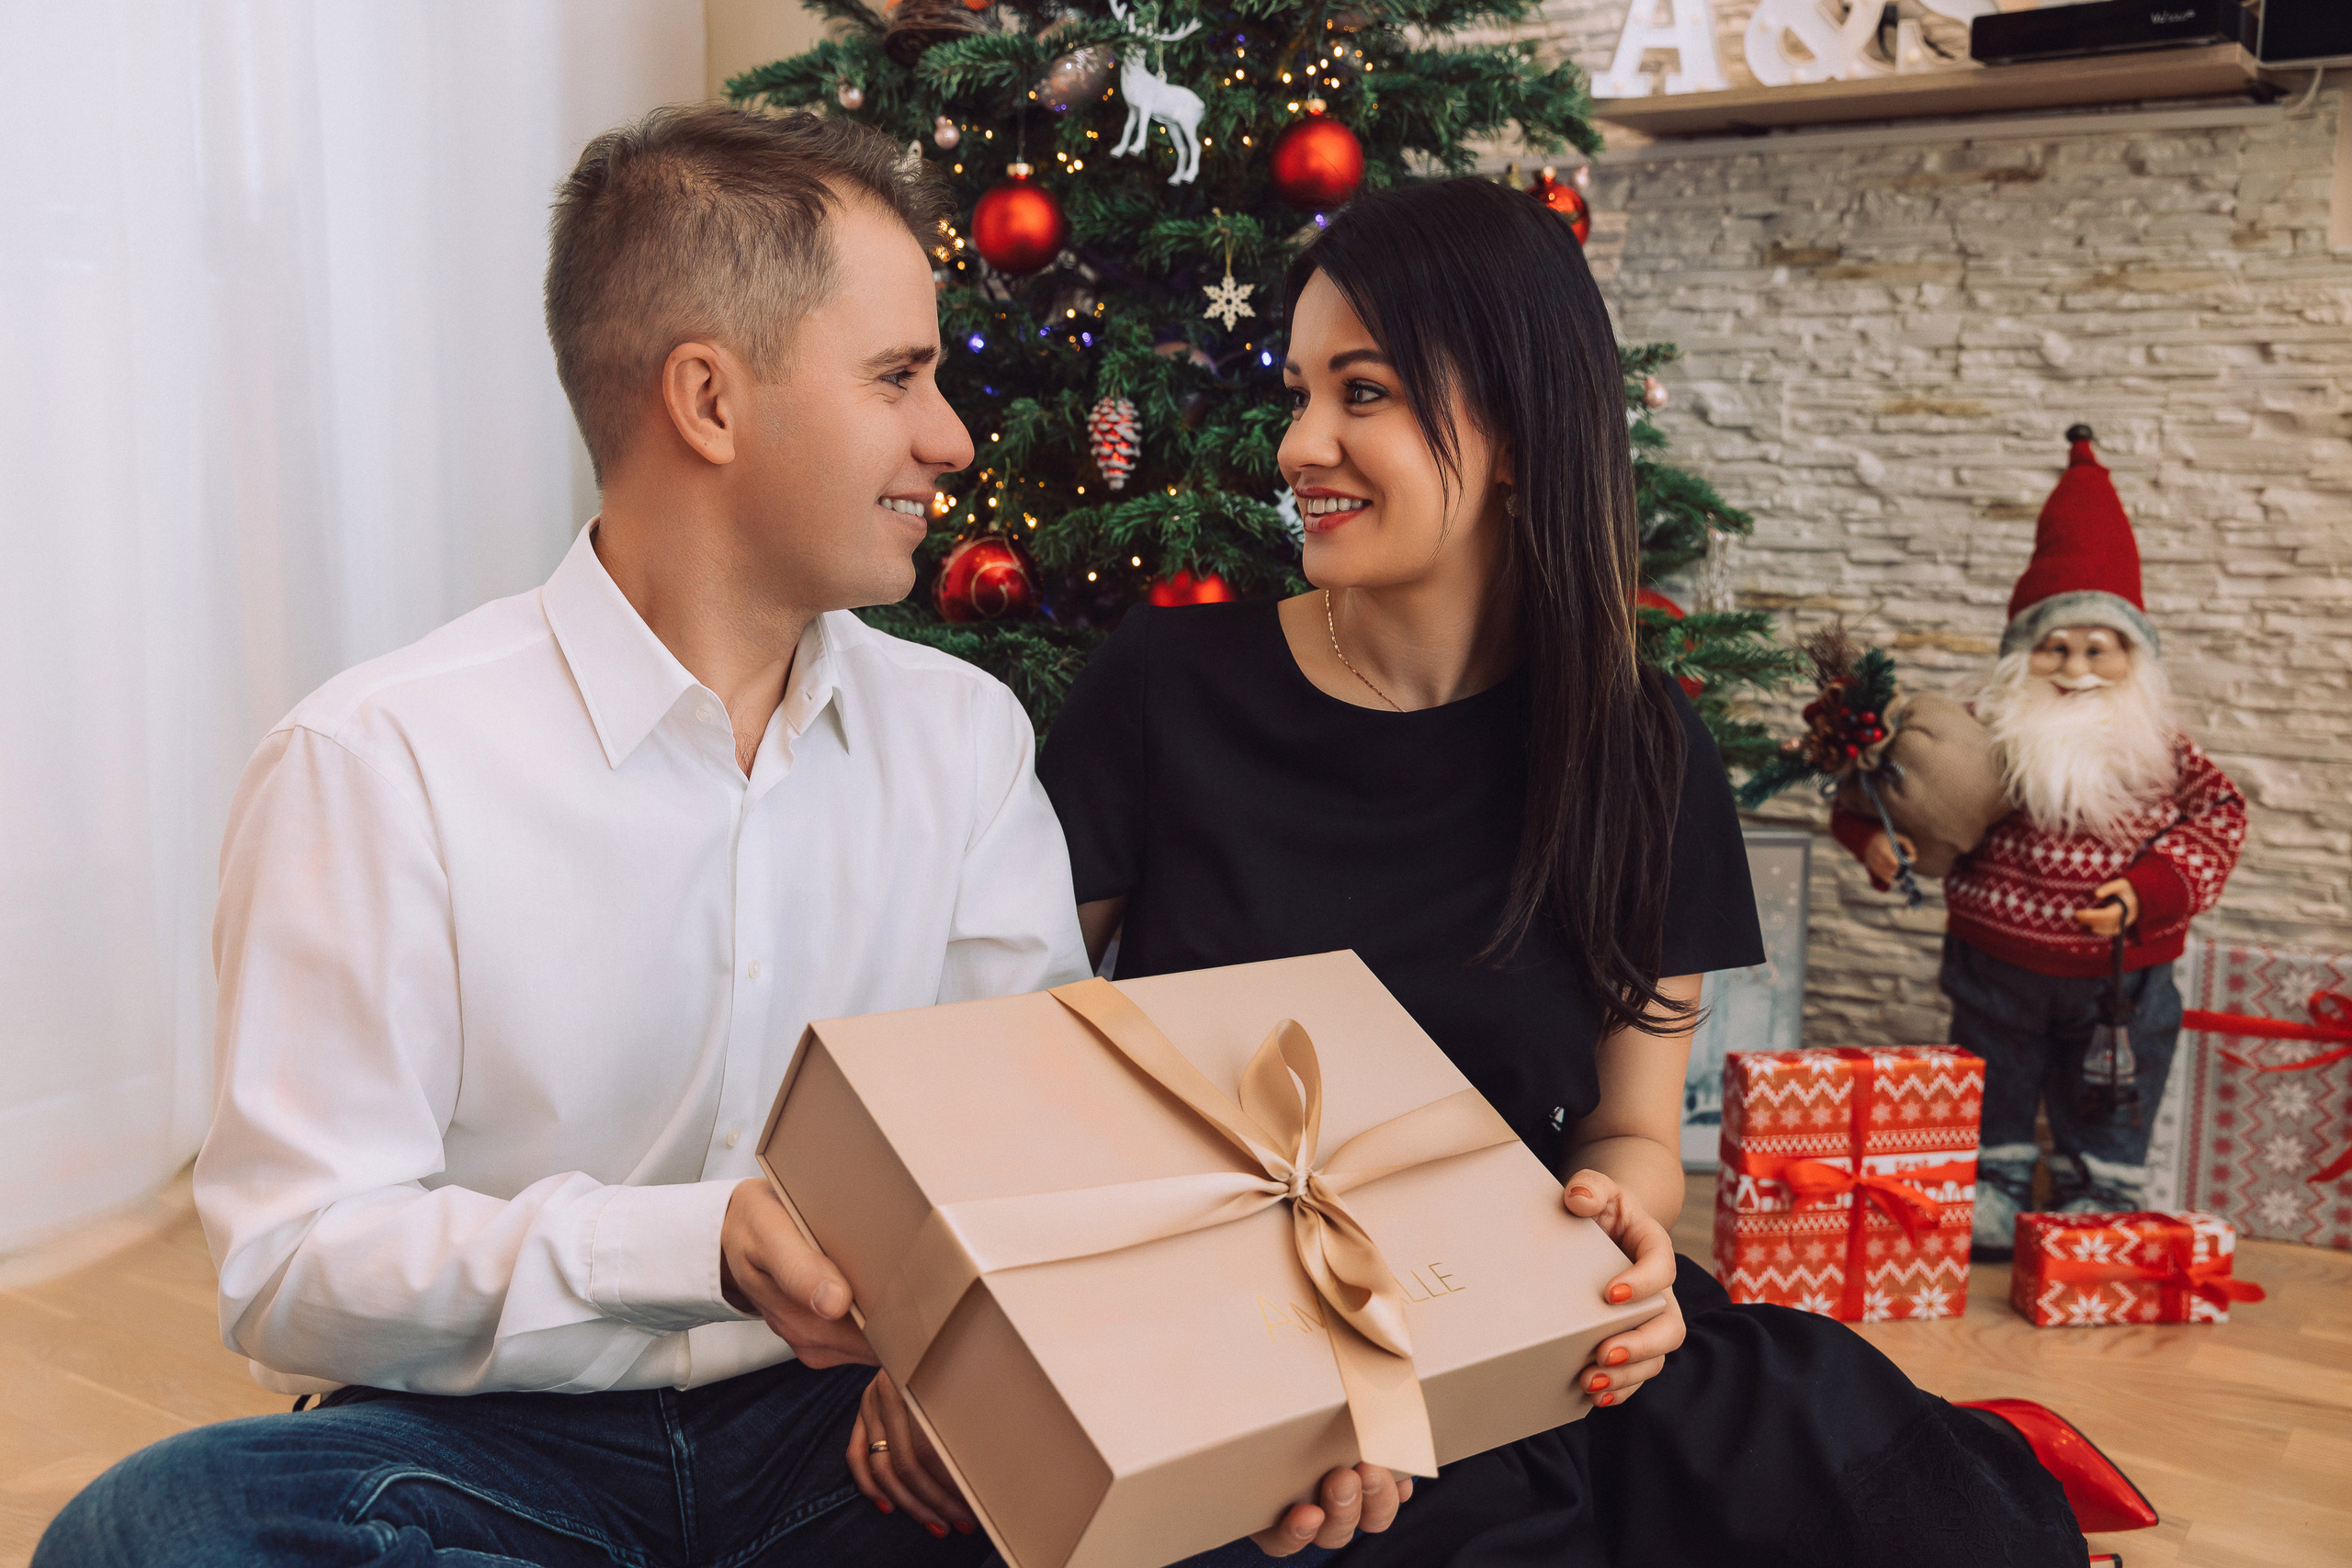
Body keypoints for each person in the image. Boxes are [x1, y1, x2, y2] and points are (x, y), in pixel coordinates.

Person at [33, 106, 1400, 1568]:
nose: (951, 436)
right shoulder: (376, 762)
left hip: (851, 1443)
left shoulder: (964, 739)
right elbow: (296, 1268)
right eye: (899, 376)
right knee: (152, 1529)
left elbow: (1042, 1172)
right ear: (708, 400)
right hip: (485, 1445)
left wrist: (1208, 1411)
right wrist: (698, 1243)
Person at [1028, 177, 2139, 1565]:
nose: (1300, 441)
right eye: (1301, 389)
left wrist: (1622, 1232)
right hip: (1222, 1334)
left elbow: (1625, 1133)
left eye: (1360, 392)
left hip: (1515, 1319)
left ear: (1514, 430)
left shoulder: (1636, 746)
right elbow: (1017, 1064)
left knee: (1880, 1486)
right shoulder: (1163, 690)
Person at [1836, 431, 2246, 1257]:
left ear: (2135, 658)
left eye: (2100, 648)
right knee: (1996, 1074)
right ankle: (1995, 1183)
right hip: (1996, 966)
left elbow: (2222, 816)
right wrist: (1871, 843)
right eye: (2055, 646)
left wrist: (2153, 888)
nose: (2077, 666)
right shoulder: (1983, 729)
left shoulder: (2162, 750)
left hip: (2121, 980)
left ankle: (2101, 1190)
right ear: (2023, 655)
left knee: (2112, 1088)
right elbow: (1880, 790)